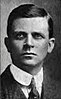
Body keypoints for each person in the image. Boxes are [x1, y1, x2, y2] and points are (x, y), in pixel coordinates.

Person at [1, 3, 56, 99]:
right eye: (20, 36)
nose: (29, 43)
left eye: (37, 36)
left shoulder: (58, 89)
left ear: (50, 45)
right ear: (8, 44)